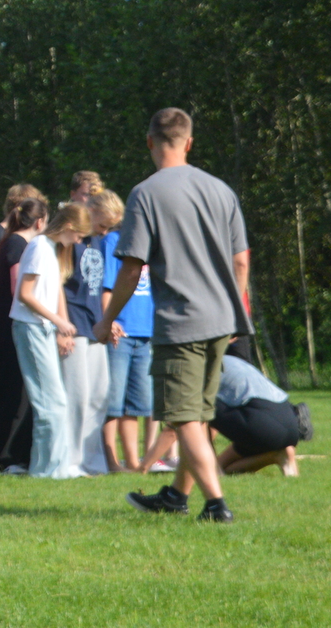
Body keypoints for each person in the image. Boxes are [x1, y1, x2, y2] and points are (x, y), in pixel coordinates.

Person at [96, 107, 253, 524]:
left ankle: (216, 505)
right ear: (189, 142)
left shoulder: (146, 193)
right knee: (197, 416)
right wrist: (233, 311)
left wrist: (107, 318)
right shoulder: (221, 190)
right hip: (221, 320)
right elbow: (241, 260)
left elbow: (132, 268)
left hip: (181, 321)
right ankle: (175, 497)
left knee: (182, 417)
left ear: (149, 141)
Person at [12, 203, 88, 479]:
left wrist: (60, 326)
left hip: (41, 328)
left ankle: (53, 467)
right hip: (31, 328)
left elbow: (53, 290)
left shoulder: (50, 249)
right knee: (50, 403)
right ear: (68, 227)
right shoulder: (39, 247)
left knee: (55, 402)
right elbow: (25, 294)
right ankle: (47, 471)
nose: (78, 241)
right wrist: (59, 321)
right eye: (78, 235)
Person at [94, 189, 157, 473]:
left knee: (137, 404)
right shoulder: (112, 241)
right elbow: (107, 286)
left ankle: (132, 461)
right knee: (113, 402)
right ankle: (110, 460)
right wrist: (109, 321)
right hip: (121, 330)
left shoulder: (148, 244)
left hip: (145, 331)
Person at [0, 195, 47, 473]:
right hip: (11, 327)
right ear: (40, 222)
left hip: (7, 324)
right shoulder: (18, 244)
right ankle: (6, 455)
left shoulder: (13, 241)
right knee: (13, 392)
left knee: (15, 390)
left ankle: (10, 453)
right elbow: (17, 288)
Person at [62, 200, 113, 476]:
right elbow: (58, 285)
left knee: (98, 395)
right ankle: (70, 460)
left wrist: (107, 320)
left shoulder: (96, 241)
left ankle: (92, 461)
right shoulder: (70, 241)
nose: (104, 231)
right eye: (102, 224)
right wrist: (61, 327)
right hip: (74, 324)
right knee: (77, 396)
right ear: (91, 212)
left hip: (94, 325)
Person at [211, 355, 301, 476]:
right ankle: (278, 456)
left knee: (202, 406)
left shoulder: (199, 368)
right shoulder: (231, 360)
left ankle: (213, 468)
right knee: (224, 469)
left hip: (263, 425)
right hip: (290, 424)